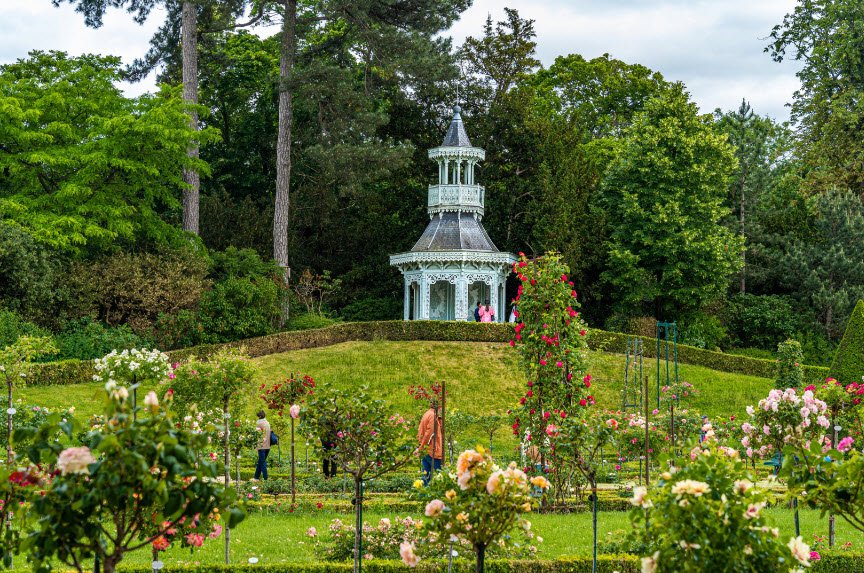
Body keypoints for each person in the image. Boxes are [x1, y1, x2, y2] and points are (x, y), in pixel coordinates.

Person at [417, 401, 443, 485]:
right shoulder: (433, 416)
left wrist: (420, 447)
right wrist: (422, 447)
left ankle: (423, 495)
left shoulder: (427, 414)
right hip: (432, 450)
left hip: (426, 450)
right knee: (443, 474)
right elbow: (430, 433)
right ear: (439, 407)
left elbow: (420, 431)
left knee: (426, 476)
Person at [254, 410, 271, 481]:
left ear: (260, 416)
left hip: (261, 446)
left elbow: (255, 433)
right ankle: (256, 477)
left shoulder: (259, 423)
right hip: (268, 445)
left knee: (262, 462)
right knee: (261, 461)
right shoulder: (267, 423)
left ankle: (266, 478)